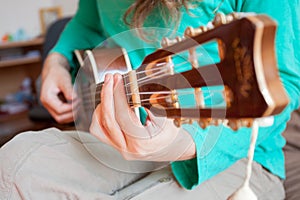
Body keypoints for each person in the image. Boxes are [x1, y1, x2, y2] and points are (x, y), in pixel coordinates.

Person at [0, 0, 299, 199]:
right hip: (120, 137)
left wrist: (184, 142)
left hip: (232, 155)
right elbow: (86, 23)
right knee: (14, 166)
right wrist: (57, 61)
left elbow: (284, 82)